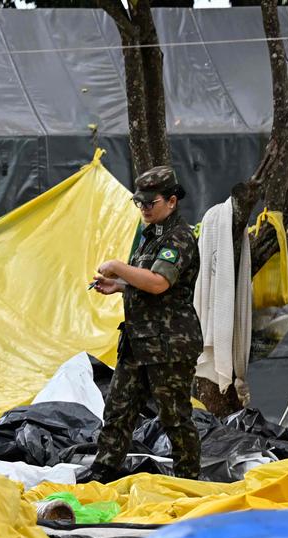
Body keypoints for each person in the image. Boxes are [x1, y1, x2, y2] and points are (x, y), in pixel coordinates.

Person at [84, 166, 203, 482]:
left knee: (174, 416)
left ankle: (188, 478)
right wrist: (120, 287)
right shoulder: (152, 236)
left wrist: (119, 268)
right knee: (118, 408)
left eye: (152, 203)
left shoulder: (178, 238)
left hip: (169, 343)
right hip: (139, 341)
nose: (145, 209)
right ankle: (104, 468)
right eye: (141, 203)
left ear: (172, 201)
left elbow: (159, 283)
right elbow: (148, 284)